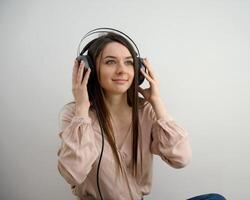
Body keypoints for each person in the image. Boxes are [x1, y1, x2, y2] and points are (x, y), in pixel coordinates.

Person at [57, 31, 225, 200]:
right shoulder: (74, 114)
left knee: (215, 199)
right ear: (90, 69)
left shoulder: (146, 111)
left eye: (129, 63)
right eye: (110, 62)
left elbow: (181, 158)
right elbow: (72, 173)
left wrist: (156, 101)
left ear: (138, 70)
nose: (122, 70)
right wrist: (81, 109)